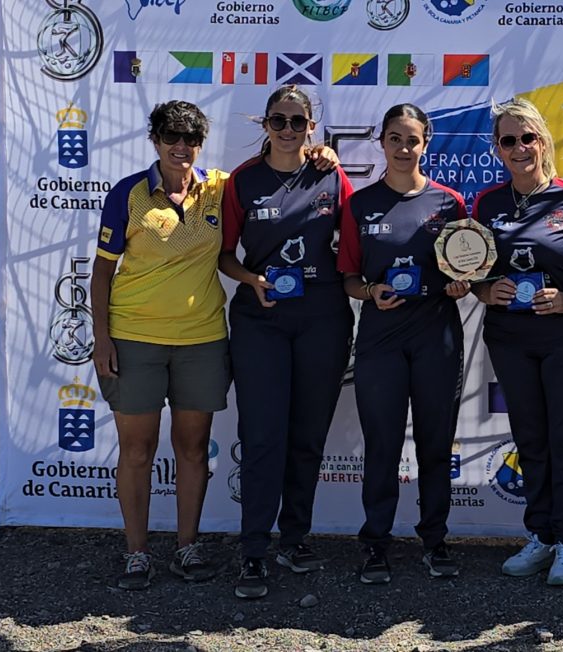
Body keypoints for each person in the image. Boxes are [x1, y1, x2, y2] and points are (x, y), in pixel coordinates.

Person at [471, 98, 563, 586]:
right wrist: (485, 289)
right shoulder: (486, 204)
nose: (519, 148)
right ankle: (541, 535)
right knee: (532, 439)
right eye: (508, 140)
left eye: (527, 138)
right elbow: (471, 271)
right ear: (497, 148)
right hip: (510, 340)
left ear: (543, 142)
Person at [219, 86, 351, 599]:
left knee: (307, 435)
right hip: (262, 317)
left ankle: (294, 538)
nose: (289, 130)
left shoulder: (329, 174)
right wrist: (251, 281)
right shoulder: (244, 181)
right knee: (263, 437)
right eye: (280, 121)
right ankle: (253, 550)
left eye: (299, 122)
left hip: (322, 315)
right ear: (266, 125)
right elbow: (225, 254)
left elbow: (355, 242)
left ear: (312, 128)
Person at [91, 100, 229, 590]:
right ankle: (136, 554)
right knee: (137, 449)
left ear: (200, 143)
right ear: (155, 139)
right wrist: (101, 338)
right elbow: (102, 271)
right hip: (134, 339)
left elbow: (271, 177)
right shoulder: (128, 194)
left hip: (201, 339)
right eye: (171, 136)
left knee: (192, 449)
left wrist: (323, 155)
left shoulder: (218, 187)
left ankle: (187, 547)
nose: (181, 146)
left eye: (190, 138)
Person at [337, 103, 470, 585]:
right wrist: (370, 292)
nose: (403, 148)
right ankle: (376, 543)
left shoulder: (450, 203)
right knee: (383, 445)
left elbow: (466, 269)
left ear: (426, 143)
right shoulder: (359, 204)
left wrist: (462, 285)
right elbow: (349, 277)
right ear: (382, 143)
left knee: (436, 444)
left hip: (437, 333)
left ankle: (435, 540)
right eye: (395, 138)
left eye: (412, 139)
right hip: (381, 337)